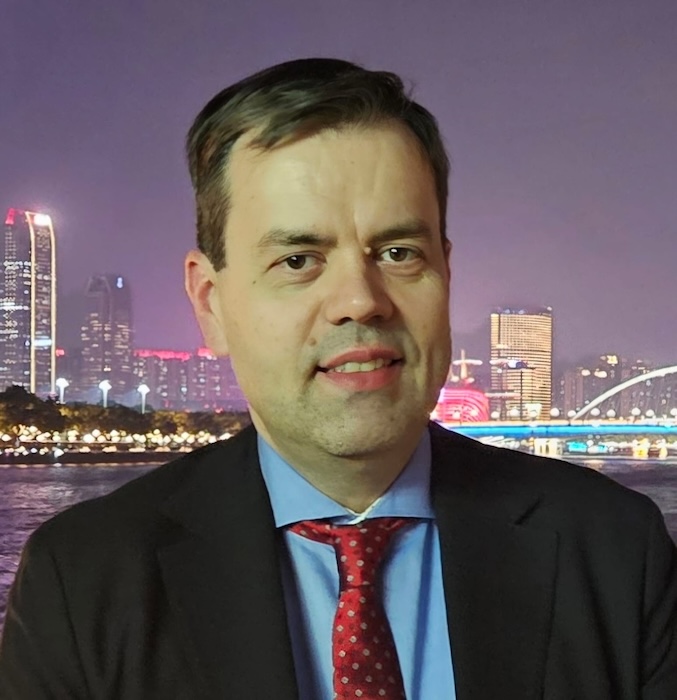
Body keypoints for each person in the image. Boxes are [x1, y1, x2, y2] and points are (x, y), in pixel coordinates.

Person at [0, 58, 675, 700]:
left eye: (398, 252)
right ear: (210, 303)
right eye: (298, 260)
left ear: (445, 272)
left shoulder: (615, 552)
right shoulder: (84, 581)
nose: (360, 300)